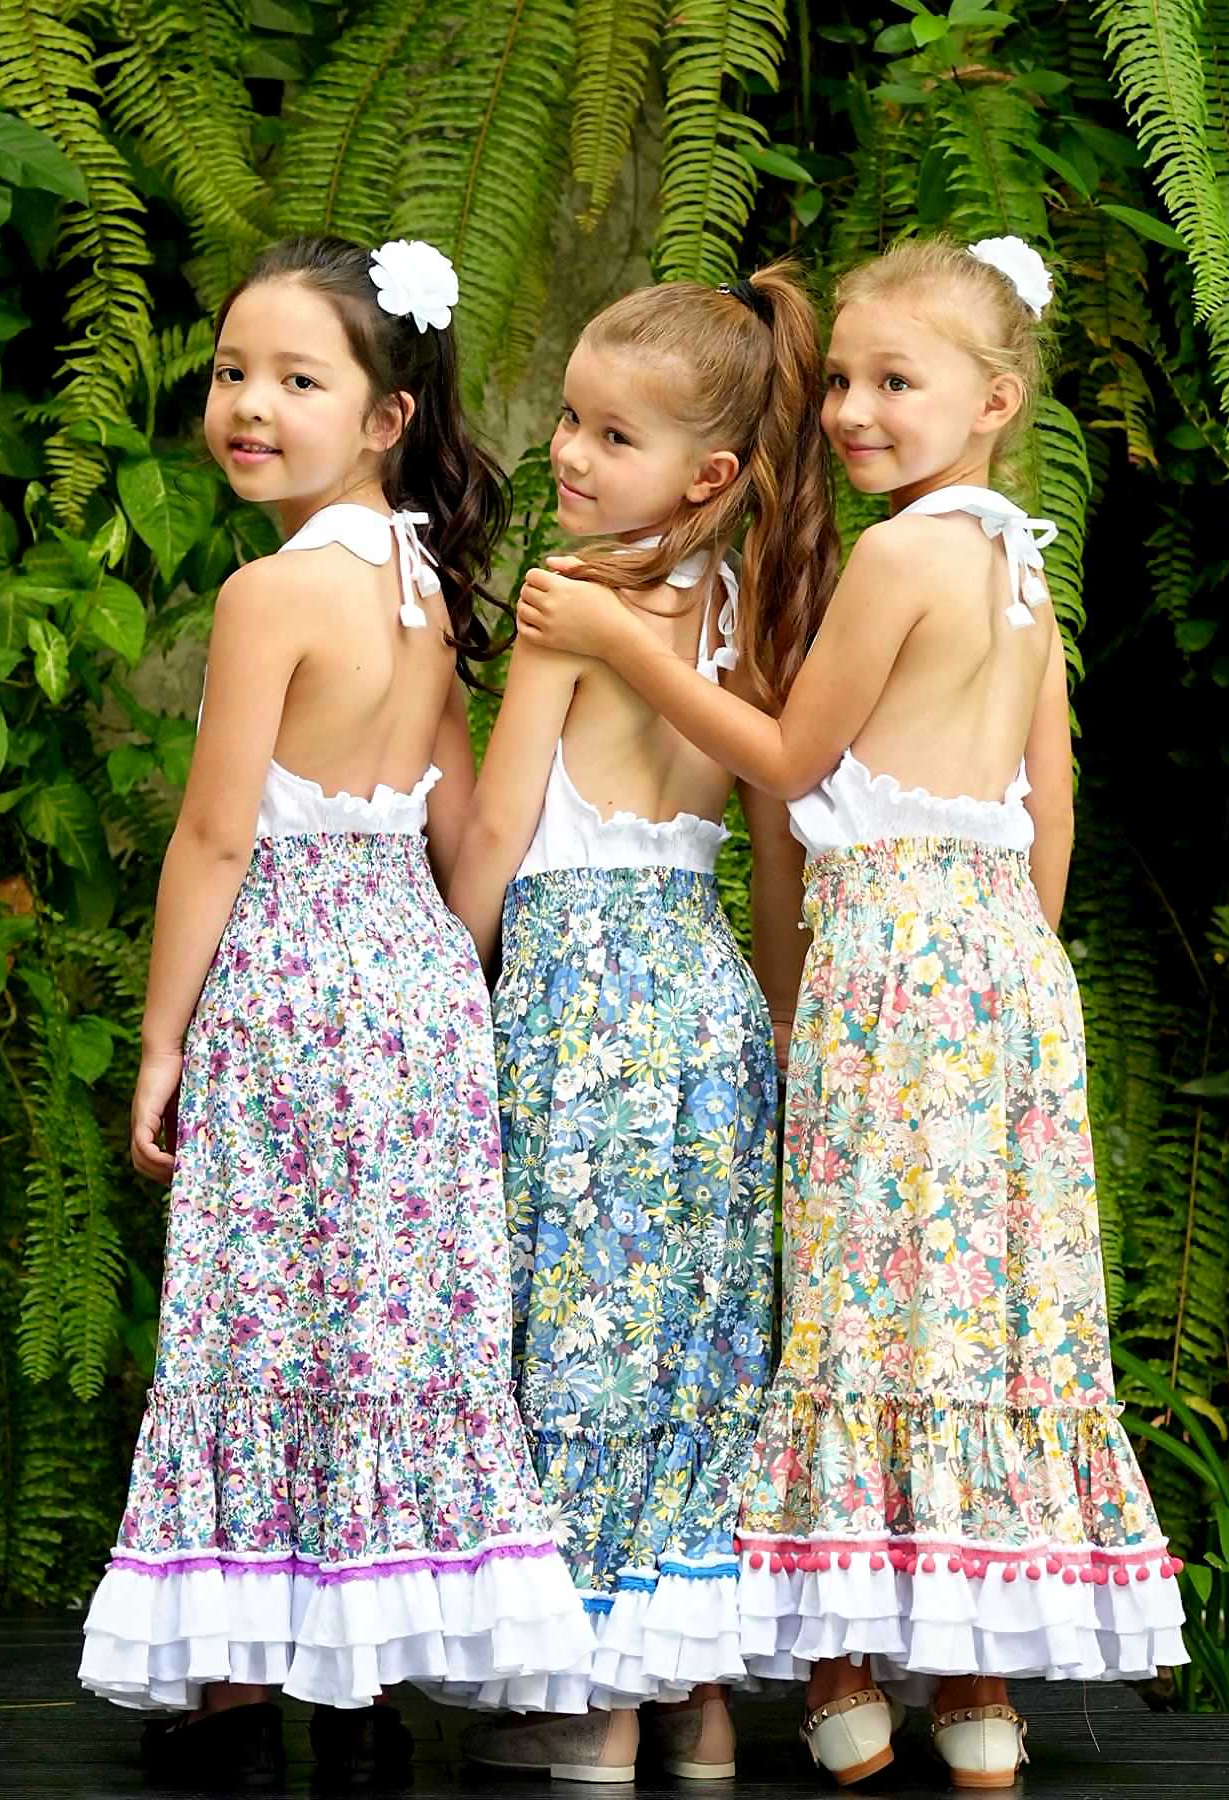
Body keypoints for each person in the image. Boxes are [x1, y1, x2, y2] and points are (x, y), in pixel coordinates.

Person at [516, 234, 1186, 1790]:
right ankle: (975, 1687)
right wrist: (1018, 969)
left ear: (995, 398)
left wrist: (615, 637)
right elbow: (1054, 805)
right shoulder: (1020, 557)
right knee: (982, 1307)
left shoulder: (897, 560)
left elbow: (787, 759)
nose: (857, 413)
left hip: (893, 966)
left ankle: (840, 1662)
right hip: (1007, 969)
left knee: (853, 1287)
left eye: (899, 383)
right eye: (847, 384)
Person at [78, 234, 589, 1790]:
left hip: (295, 986)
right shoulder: (426, 576)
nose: (249, 405)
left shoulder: (268, 594)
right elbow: (456, 816)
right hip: (415, 987)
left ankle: (235, 1688)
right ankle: (360, 1694)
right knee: (382, 1322)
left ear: (386, 415)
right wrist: (460, 981)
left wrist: (164, 1038)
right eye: (233, 371)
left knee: (258, 1311)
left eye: (299, 380)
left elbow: (218, 835)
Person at [449, 263, 836, 1784]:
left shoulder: (572, 604)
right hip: (706, 1006)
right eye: (569, 419)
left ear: (709, 473)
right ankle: (700, 1701)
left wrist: (443, 993)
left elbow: (492, 838)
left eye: (614, 436)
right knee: (693, 1338)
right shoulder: (753, 612)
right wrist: (788, 1027)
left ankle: (593, 1703)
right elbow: (783, 842)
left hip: (577, 1000)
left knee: (578, 1329)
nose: (570, 452)